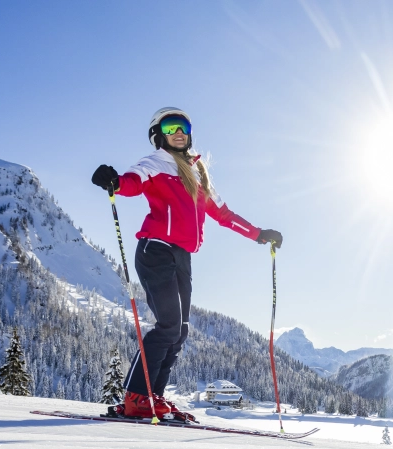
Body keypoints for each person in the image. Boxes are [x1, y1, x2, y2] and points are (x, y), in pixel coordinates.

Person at [91, 107, 282, 420]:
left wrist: (259, 235)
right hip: (155, 250)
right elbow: (132, 182)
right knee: (167, 324)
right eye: (170, 127)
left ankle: (154, 395)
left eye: (183, 126)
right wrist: (114, 181)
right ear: (159, 135)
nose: (178, 131)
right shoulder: (155, 163)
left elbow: (223, 215)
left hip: (182, 256)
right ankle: (136, 397)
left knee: (179, 331)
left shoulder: (196, 174)